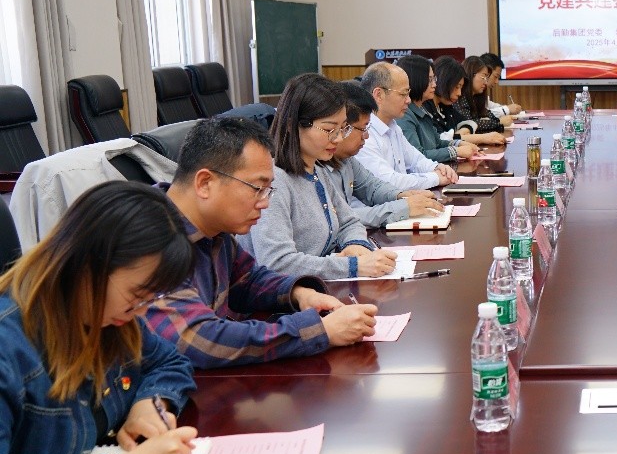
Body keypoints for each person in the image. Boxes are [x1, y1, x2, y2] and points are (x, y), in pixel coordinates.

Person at [0, 181, 199, 454]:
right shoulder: (9, 346)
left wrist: (150, 403)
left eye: (150, 299)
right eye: (137, 295)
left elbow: (169, 362)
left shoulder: (108, 318)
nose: (141, 311)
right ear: (87, 265)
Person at [146, 117, 377, 368]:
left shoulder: (214, 230)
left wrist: (300, 294)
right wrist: (319, 331)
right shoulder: (148, 238)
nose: (265, 203)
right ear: (204, 183)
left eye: (268, 190)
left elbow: (248, 280)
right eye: (257, 188)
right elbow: (200, 339)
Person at [243, 73, 397, 281]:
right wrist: (352, 266)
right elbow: (277, 262)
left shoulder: (317, 169)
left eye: (343, 129)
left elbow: (348, 222)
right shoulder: (274, 182)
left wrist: (356, 244)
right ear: (293, 124)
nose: (338, 138)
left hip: (317, 286)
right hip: (281, 296)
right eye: (329, 129)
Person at [332, 79, 446, 229]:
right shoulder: (314, 167)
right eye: (363, 129)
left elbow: (372, 187)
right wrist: (403, 207)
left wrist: (402, 195)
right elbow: (341, 218)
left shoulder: (347, 160)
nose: (366, 135)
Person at [359, 62, 461, 189]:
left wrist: (437, 168)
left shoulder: (393, 125)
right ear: (379, 95)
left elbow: (416, 160)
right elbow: (389, 181)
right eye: (403, 94)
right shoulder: (363, 133)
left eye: (408, 93)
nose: (408, 100)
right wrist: (435, 178)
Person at [395, 56, 479, 162]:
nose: (435, 85)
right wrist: (456, 151)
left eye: (434, 79)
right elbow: (417, 156)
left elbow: (438, 143)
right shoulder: (405, 114)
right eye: (430, 80)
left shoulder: (422, 109)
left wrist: (459, 143)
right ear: (416, 80)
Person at [432, 56, 506, 148]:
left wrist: (464, 130)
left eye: (460, 87)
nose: (459, 93)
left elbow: (468, 122)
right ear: (443, 81)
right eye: (456, 87)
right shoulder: (427, 109)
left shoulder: (445, 106)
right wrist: (482, 138)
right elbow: (441, 140)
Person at [453, 56, 510, 134]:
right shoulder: (460, 96)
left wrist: (497, 120)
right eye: (483, 77)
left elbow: (488, 114)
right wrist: (498, 122)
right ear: (471, 74)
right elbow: (470, 123)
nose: (486, 82)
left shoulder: (476, 97)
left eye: (487, 78)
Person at [480, 53, 523, 117]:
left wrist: (508, 108)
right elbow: (481, 115)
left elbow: (488, 105)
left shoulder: (482, 92)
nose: (496, 82)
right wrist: (507, 109)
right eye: (495, 76)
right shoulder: (469, 91)